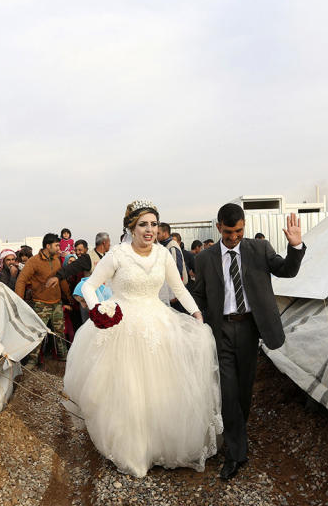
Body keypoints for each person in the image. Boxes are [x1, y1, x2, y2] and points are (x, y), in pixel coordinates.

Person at [64, 200, 222, 477]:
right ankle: (133, 450)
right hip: (123, 325)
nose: (150, 230)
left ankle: (160, 445)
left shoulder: (163, 255)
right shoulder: (117, 255)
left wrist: (196, 313)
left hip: (157, 323)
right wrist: (98, 308)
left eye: (154, 224)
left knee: (160, 387)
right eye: (143, 225)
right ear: (131, 227)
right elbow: (89, 285)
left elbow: (179, 289)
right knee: (129, 390)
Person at [191, 203, 305, 480]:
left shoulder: (258, 249)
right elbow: (200, 295)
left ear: (245, 226)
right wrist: (199, 319)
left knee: (243, 391)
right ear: (218, 228)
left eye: (239, 231)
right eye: (229, 232)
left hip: (250, 330)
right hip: (222, 331)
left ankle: (237, 433)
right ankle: (235, 454)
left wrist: (296, 246)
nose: (234, 237)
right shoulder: (205, 259)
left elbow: (287, 271)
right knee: (228, 392)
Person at [15, 233, 69, 361]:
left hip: (57, 302)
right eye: (56, 245)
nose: (58, 248)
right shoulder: (33, 261)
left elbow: (61, 279)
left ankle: (64, 357)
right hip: (41, 303)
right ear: (47, 245)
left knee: (60, 332)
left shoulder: (56, 259)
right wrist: (18, 300)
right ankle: (32, 361)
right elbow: (21, 280)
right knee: (38, 333)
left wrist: (68, 296)